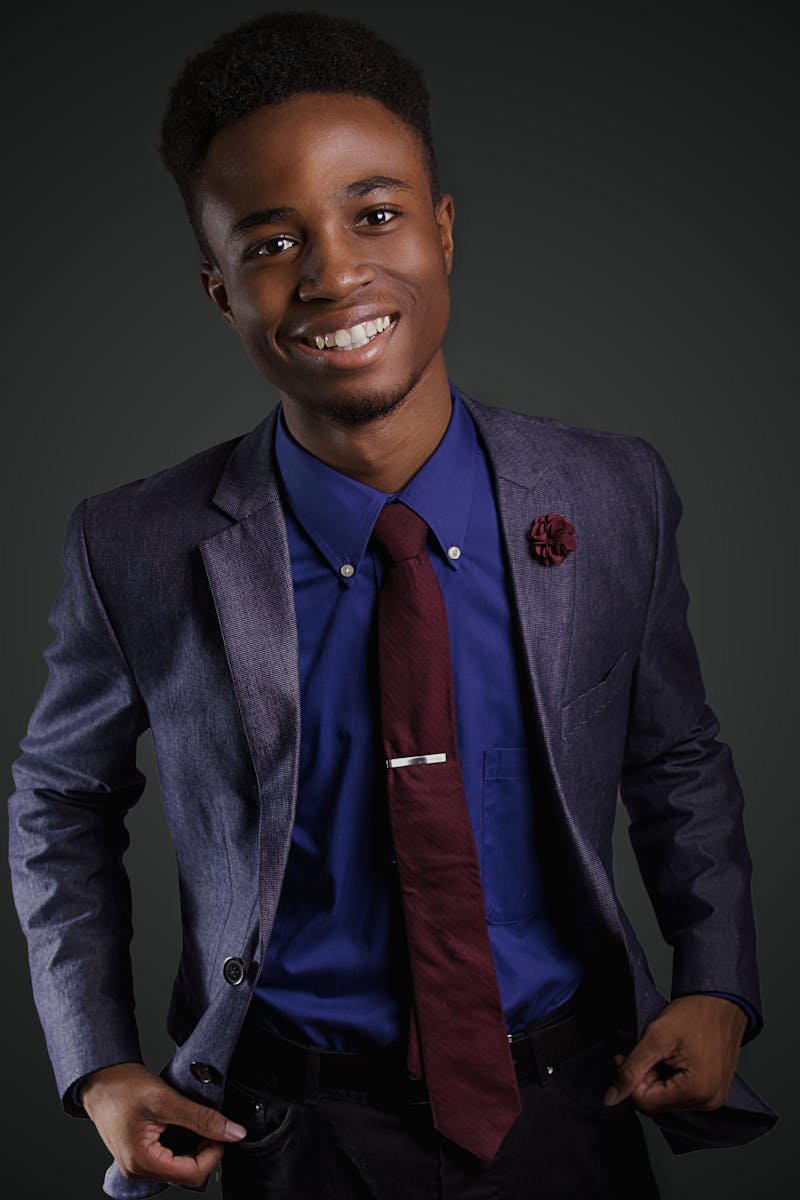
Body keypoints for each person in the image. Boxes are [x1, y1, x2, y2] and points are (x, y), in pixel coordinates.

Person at [7, 9, 777, 1199]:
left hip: (572, 1107)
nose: (330, 273)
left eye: (374, 215)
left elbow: (673, 753)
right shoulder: (136, 545)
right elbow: (60, 799)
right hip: (279, 1136)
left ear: (444, 230)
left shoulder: (613, 493)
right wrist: (97, 1063)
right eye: (269, 243)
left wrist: (716, 978)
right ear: (218, 291)